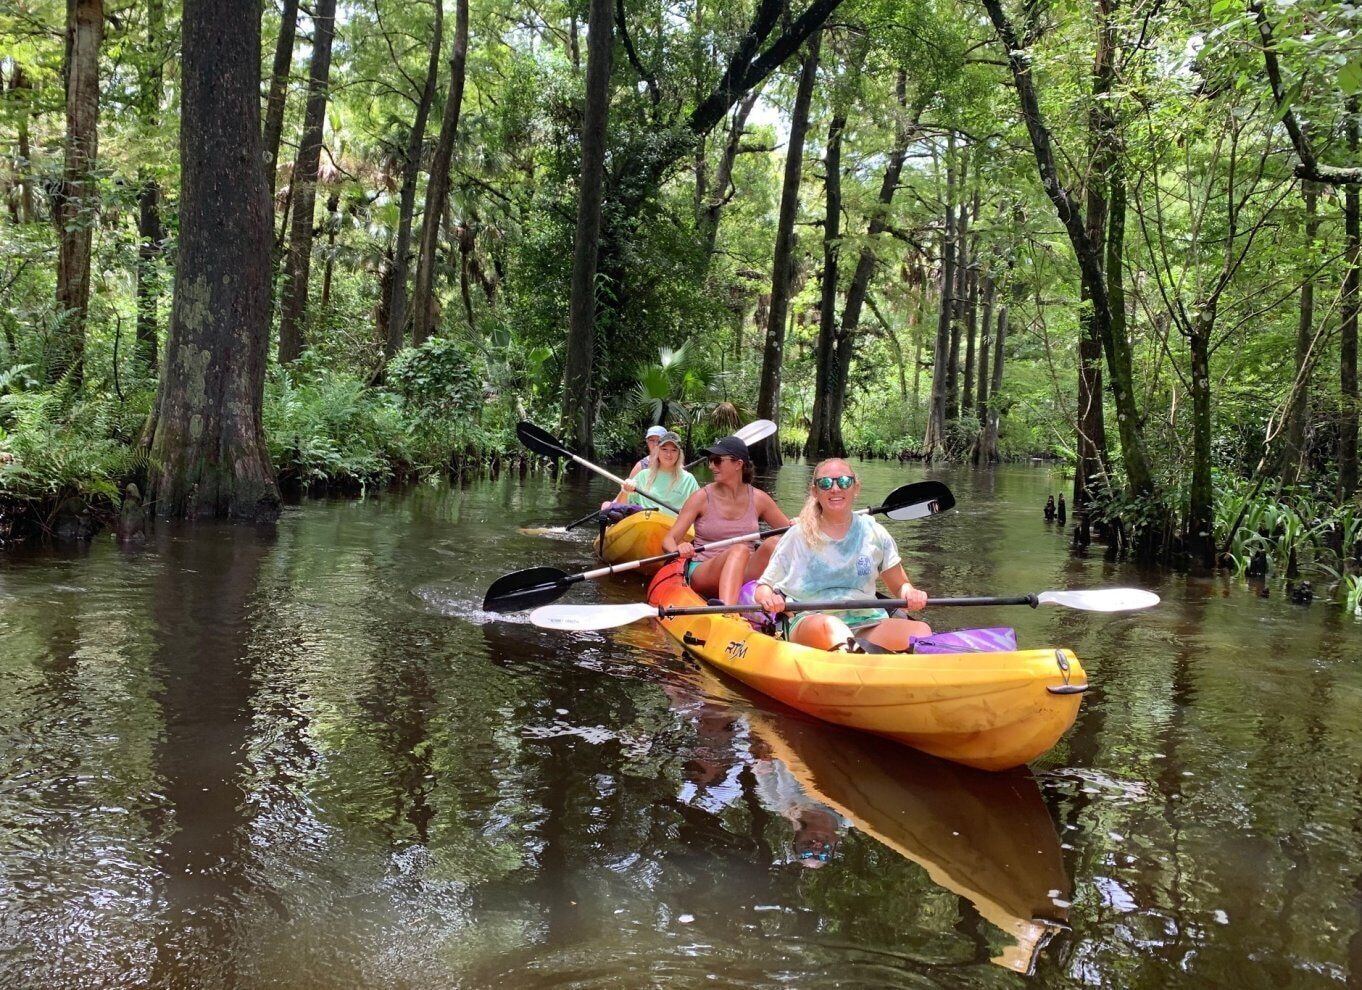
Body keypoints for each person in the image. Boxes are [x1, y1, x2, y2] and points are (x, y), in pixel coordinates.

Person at [753, 458, 931, 653]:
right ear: (815, 491)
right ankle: (858, 657)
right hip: (811, 621)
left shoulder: (874, 532)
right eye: (826, 483)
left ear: (856, 487)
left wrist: (910, 593)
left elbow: (900, 585)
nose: (835, 488)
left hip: (866, 622)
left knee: (921, 631)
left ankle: (860, 654)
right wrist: (769, 599)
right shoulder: (797, 535)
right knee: (833, 628)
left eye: (844, 481)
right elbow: (763, 588)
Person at [663, 435, 790, 605]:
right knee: (739, 550)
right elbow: (668, 540)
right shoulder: (701, 498)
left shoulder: (760, 499)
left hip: (745, 570)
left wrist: (798, 524)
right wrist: (679, 549)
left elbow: (792, 534)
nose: (711, 466)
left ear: (738, 464)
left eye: (717, 461)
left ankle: (786, 595)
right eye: (710, 460)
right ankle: (728, 612)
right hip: (705, 569)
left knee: (774, 543)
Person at [601, 431, 700, 511]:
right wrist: (625, 491)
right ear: (658, 451)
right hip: (644, 523)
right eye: (664, 449)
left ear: (679, 453)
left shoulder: (688, 479)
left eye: (674, 450)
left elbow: (700, 508)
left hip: (672, 528)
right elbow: (620, 505)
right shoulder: (643, 475)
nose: (669, 454)